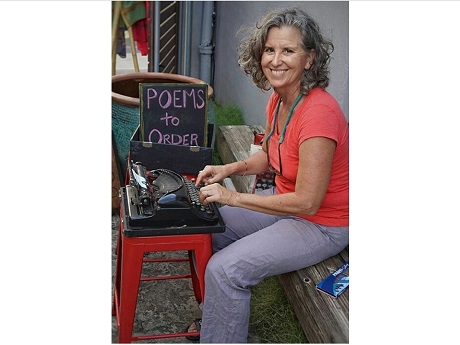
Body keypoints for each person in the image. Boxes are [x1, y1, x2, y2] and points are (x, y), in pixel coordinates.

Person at [187, 7, 349, 343]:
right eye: (270, 50)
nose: (276, 60)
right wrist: (230, 169)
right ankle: (220, 323)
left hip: (321, 222)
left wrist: (232, 195)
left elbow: (306, 202)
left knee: (227, 269)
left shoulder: (318, 114)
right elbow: (272, 155)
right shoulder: (279, 99)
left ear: (310, 59)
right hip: (284, 205)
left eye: (288, 51)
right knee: (209, 228)